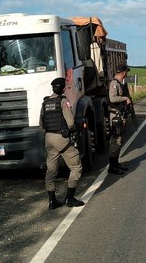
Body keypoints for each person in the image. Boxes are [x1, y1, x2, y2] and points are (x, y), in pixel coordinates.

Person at [40, 77, 84, 210]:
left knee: (51, 170)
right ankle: (70, 198)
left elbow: (41, 123)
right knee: (76, 167)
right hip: (61, 139)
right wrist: (73, 131)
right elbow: (70, 123)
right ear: (64, 88)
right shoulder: (63, 101)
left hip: (48, 138)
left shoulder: (45, 102)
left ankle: (52, 201)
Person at [108, 63, 131, 174]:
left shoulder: (119, 83)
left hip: (119, 115)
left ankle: (116, 164)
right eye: (126, 72)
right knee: (115, 142)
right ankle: (112, 167)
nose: (126, 74)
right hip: (116, 116)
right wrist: (125, 98)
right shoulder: (114, 83)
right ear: (124, 72)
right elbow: (112, 99)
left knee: (119, 140)